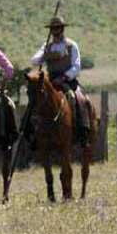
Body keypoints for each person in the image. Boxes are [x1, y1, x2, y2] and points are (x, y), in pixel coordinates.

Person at [30, 16, 89, 145]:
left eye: (58, 28)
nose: (55, 30)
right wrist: (44, 55)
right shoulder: (46, 46)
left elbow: (76, 66)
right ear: (50, 30)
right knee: (35, 98)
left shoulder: (71, 45)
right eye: (53, 28)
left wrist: (64, 77)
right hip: (50, 80)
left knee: (78, 98)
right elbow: (34, 60)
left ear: (62, 29)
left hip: (67, 79)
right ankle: (31, 132)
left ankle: (82, 130)